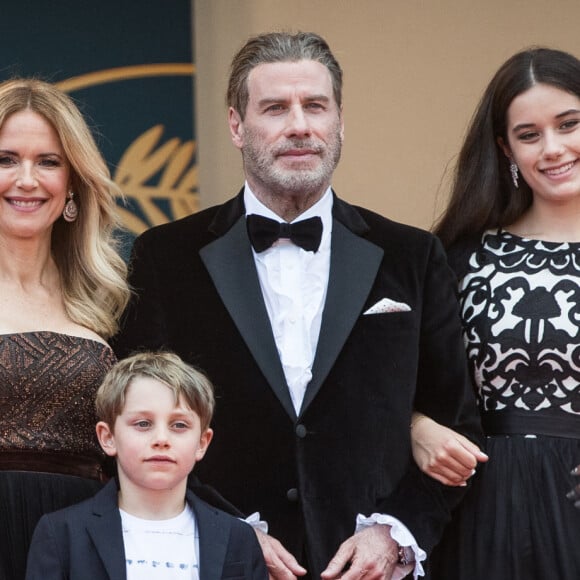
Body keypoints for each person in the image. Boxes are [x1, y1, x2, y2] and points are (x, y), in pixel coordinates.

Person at [114, 31, 482, 580]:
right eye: (274, 108)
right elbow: (131, 421)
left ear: (340, 122)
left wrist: (397, 532)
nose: (299, 126)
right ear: (237, 125)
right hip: (212, 563)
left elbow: (457, 423)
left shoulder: (411, 255)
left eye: (315, 106)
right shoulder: (165, 256)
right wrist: (221, 530)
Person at [410, 47, 580, 580]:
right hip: (478, 506)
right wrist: (415, 429)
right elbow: (393, 379)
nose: (552, 148)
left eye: (569, 124)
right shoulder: (458, 255)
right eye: (529, 134)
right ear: (506, 148)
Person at [0, 78, 130, 580]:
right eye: (6, 159)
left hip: (87, 550)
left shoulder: (112, 301)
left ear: (74, 182)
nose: (26, 179)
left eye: (48, 161)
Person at [25, 351, 268, 579]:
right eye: (143, 424)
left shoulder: (238, 538)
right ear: (108, 437)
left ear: (202, 443)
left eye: (179, 425)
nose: (161, 439)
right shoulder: (62, 534)